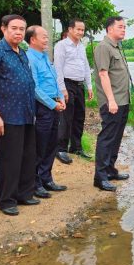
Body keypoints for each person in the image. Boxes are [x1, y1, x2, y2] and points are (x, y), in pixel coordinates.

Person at [0, 15, 38, 216]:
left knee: (27, 156)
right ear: (4, 28)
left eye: (22, 29)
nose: (19, 32)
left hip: (27, 114)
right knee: (8, 160)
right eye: (14, 28)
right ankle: (6, 200)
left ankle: (24, 193)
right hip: (6, 115)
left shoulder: (21, 52)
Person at [25, 25, 67, 199]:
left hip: (55, 105)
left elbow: (54, 81)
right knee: (40, 146)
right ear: (33, 39)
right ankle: (35, 183)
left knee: (52, 143)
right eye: (43, 36)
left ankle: (46, 178)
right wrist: (52, 104)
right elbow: (34, 87)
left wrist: (61, 99)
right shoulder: (29, 58)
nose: (47, 39)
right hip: (42, 107)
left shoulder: (45, 57)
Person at [93, 16, 131, 191]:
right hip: (112, 102)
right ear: (109, 29)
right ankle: (100, 178)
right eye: (120, 27)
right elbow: (103, 74)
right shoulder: (103, 47)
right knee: (107, 138)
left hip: (123, 100)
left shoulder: (117, 47)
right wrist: (111, 100)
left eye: (125, 27)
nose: (124, 30)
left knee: (116, 137)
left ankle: (110, 170)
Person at [53, 18, 94, 164]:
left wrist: (89, 86)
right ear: (70, 30)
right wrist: (62, 89)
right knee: (66, 117)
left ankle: (76, 147)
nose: (81, 32)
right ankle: (61, 149)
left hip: (79, 85)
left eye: (83, 30)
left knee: (79, 116)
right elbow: (57, 69)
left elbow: (86, 66)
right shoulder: (61, 46)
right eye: (78, 29)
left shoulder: (81, 46)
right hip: (67, 84)